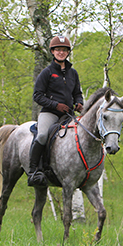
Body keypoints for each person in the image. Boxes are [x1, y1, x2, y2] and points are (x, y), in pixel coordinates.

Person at [27, 35, 84, 187]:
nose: (61, 52)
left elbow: (77, 93)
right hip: (50, 113)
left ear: (68, 52)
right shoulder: (47, 72)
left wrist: (79, 103)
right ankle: (34, 171)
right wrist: (55, 105)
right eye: (58, 50)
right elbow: (37, 95)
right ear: (52, 51)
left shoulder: (73, 73)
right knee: (43, 135)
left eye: (64, 50)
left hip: (68, 114)